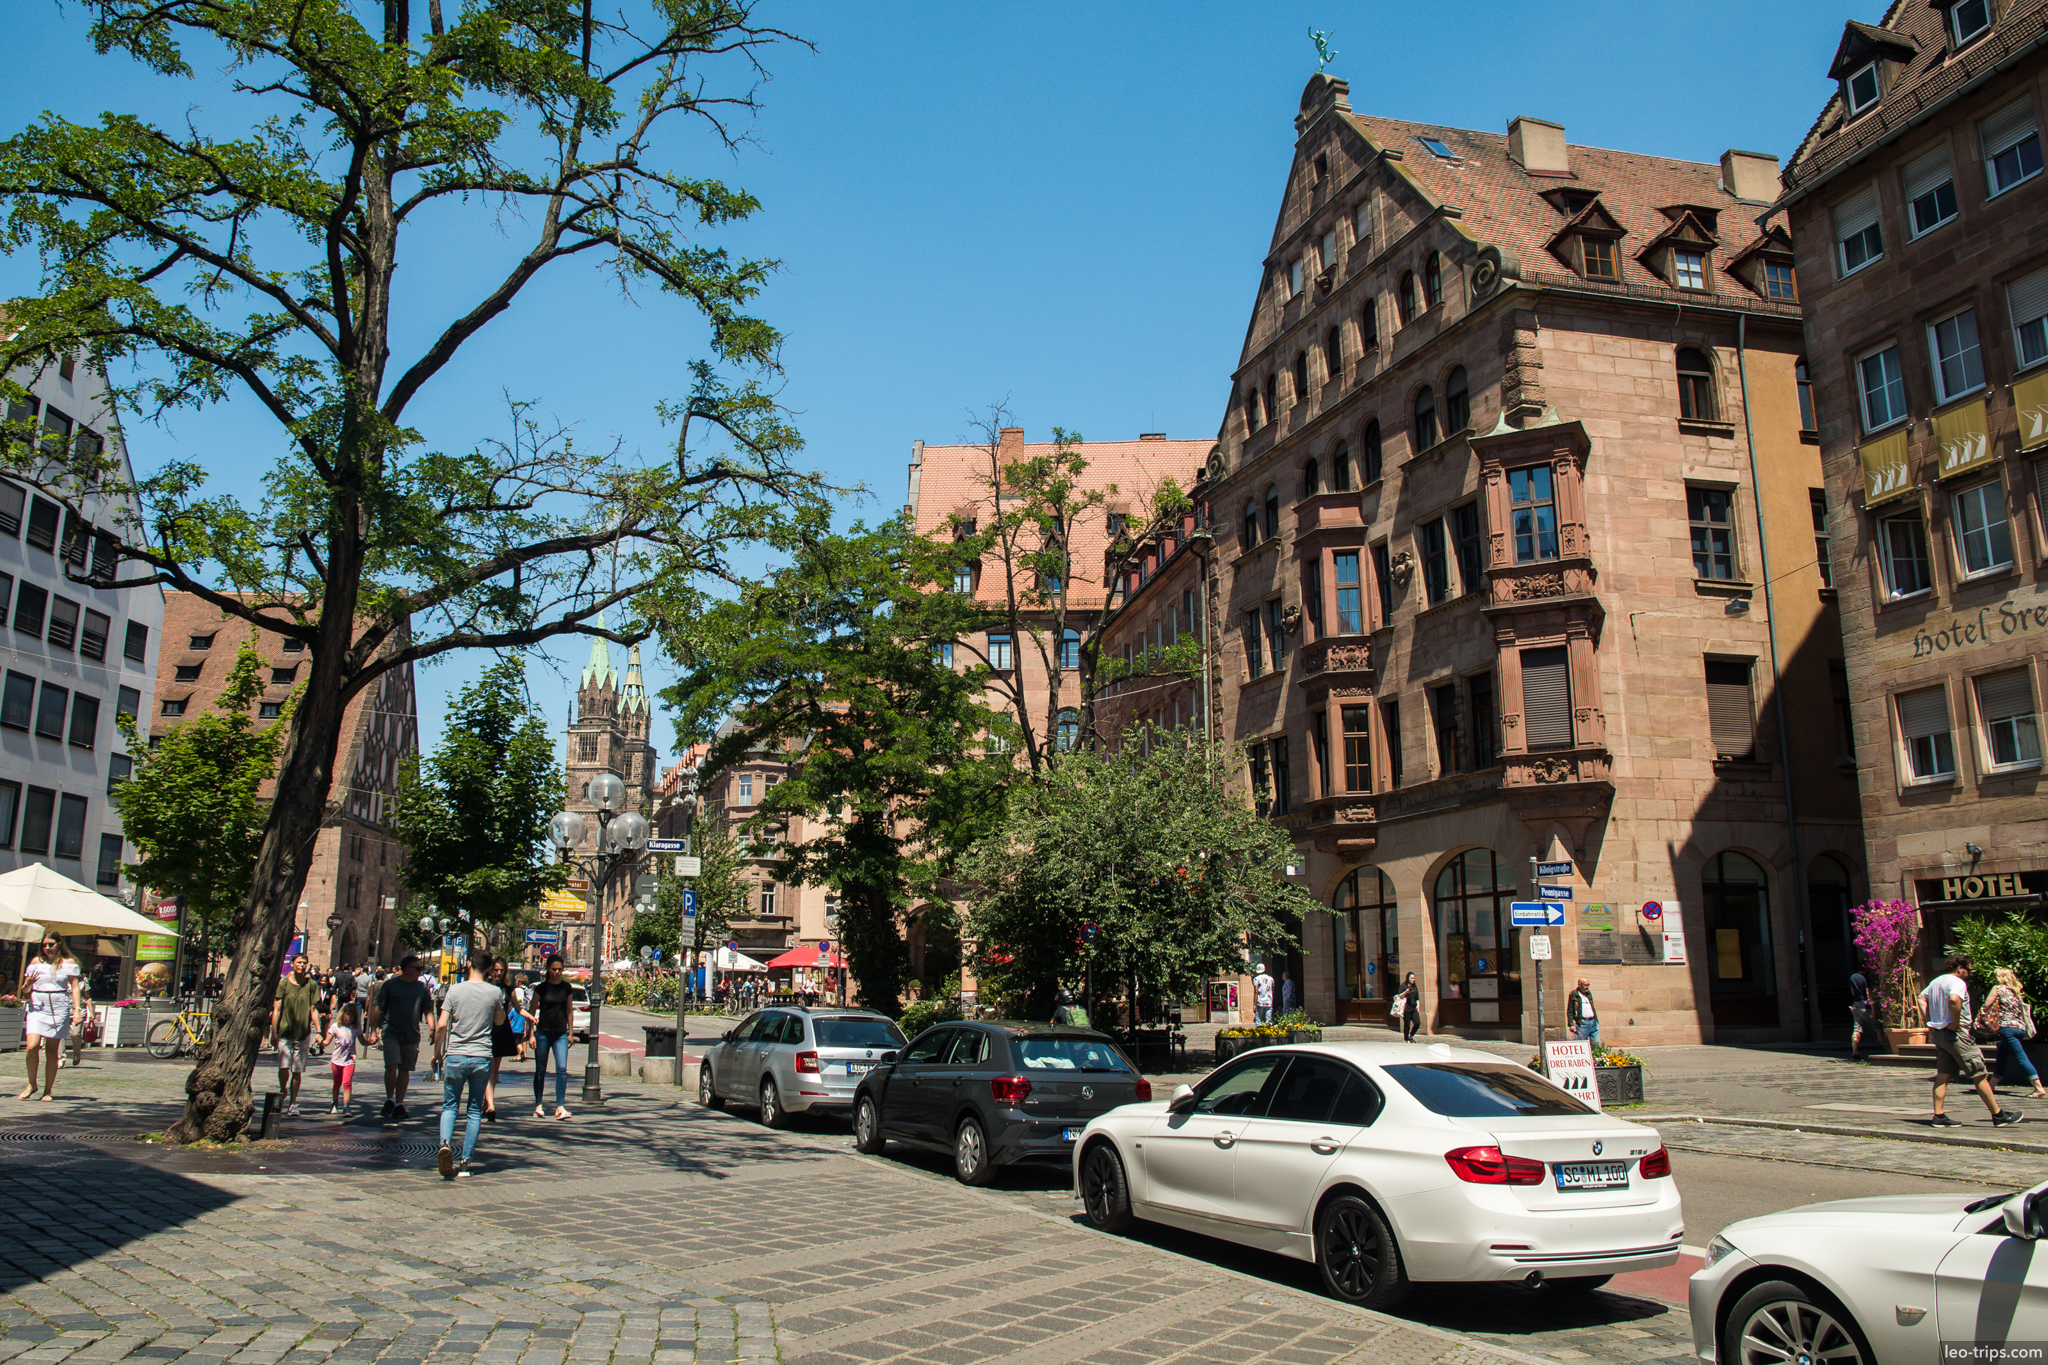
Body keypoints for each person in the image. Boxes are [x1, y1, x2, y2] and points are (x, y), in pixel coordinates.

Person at [1921, 954, 2021, 1128]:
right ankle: (1998, 1115)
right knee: (1979, 1073)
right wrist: (1955, 1023)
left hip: (1939, 1034)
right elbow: (1954, 999)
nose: (1970, 973)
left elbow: (1922, 998)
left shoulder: (1936, 981)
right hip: (1956, 1034)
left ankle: (1939, 1116)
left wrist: (1928, 1021)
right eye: (1969, 970)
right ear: (1960, 969)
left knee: (1943, 1075)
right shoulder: (1958, 983)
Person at [436, 949, 509, 1179]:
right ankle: (466, 1161)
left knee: (450, 1105)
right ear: (489, 969)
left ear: (469, 964)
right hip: (481, 1056)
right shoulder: (495, 992)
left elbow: (441, 1025)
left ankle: (445, 1143)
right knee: (474, 1111)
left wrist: (438, 1053)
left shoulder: (454, 990)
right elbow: (499, 1021)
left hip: (456, 1054)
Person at [368, 955, 434, 1121]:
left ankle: (399, 1103)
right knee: (392, 1064)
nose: (420, 971)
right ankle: (390, 1098)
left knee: (405, 1069)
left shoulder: (421, 988)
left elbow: (428, 1010)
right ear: (406, 969)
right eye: (417, 968)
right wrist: (373, 1030)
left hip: (411, 1034)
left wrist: (433, 1028)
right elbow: (378, 1008)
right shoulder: (390, 985)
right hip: (391, 1031)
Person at [19, 934, 82, 1101]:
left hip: (58, 1006)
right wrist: (28, 984)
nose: (47, 947)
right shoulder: (35, 962)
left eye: (51, 944)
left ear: (59, 944)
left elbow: (75, 987)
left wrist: (77, 1010)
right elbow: (25, 990)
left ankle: (47, 1090)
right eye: (45, 944)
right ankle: (32, 1084)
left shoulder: (68, 963)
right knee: (31, 1047)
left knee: (51, 1051)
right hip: (38, 1006)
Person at [1978, 967, 2047, 1100]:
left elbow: (1986, 1005)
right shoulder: (2016, 990)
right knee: (2002, 1056)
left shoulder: (1998, 989)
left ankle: (2038, 1087)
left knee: (2021, 1057)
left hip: (2007, 1028)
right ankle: (1991, 1085)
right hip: (2020, 1028)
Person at [270, 952, 322, 1116]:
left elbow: (313, 1010)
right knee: (284, 1065)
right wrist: (273, 1032)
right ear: (292, 964)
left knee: (297, 1069)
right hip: (285, 1031)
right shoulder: (284, 984)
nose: (302, 965)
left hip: (302, 1033)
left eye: (304, 963)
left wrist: (318, 1031)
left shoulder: (311, 985)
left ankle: (292, 1103)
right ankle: (282, 1089)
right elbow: (277, 1009)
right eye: (299, 962)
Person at [528, 955, 575, 1120]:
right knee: (541, 1070)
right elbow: (532, 1011)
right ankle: (538, 1105)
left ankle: (560, 1106)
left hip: (560, 1033)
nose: (557, 972)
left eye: (560, 970)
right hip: (543, 1032)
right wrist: (530, 1034)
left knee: (561, 1069)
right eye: (554, 969)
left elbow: (569, 1010)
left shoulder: (566, 987)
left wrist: (571, 1032)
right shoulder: (541, 988)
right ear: (548, 969)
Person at [484, 959, 520, 1121]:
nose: (498, 973)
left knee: (494, 1070)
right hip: (485, 1030)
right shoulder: (484, 986)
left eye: (502, 970)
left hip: (501, 1030)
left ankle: (488, 1103)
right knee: (487, 1069)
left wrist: (531, 1018)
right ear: (490, 970)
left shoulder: (508, 988)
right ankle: (489, 1104)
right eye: (496, 970)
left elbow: (518, 1008)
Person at [324, 1000, 361, 1116]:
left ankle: (346, 1107)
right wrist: (321, 1041)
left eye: (352, 1015)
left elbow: (363, 1041)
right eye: (347, 1014)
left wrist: (371, 1041)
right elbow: (327, 1042)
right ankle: (334, 1103)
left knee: (347, 1082)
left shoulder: (355, 1028)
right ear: (342, 1014)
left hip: (350, 1059)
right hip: (336, 1059)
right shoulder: (335, 1027)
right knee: (337, 1083)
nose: (349, 1018)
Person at [1848, 971, 1873, 1062]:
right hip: (1864, 1007)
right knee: (1878, 1027)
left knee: (1857, 1029)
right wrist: (1873, 1008)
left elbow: (1853, 992)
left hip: (1855, 1006)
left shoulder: (1853, 977)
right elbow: (1868, 993)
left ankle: (1855, 1053)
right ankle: (1888, 1048)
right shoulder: (1866, 978)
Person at [1568, 977, 1599, 1045]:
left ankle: (1596, 1055)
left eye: (1588, 985)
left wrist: (1596, 1020)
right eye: (1585, 985)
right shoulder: (1574, 994)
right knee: (1582, 1044)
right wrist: (1571, 1024)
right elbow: (1570, 1011)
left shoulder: (1588, 994)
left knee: (1596, 1044)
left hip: (1593, 1021)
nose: (1587, 987)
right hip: (1582, 1023)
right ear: (1579, 985)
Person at [1394, 972, 1422, 1043]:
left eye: (1414, 978)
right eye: (1411, 978)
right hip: (1406, 1008)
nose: (1413, 980)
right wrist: (1406, 992)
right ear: (1408, 978)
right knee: (1407, 1024)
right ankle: (1406, 1039)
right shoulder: (1403, 986)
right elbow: (1399, 996)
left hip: (1414, 1007)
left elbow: (1417, 997)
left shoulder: (1414, 987)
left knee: (1417, 1023)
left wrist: (1418, 1005)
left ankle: (1411, 1035)